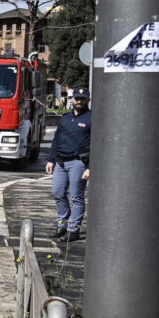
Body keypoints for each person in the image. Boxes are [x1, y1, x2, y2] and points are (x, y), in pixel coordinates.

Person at [46, 86, 91, 241]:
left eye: (82, 98)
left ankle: (73, 230)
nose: (79, 101)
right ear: (72, 99)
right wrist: (51, 160)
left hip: (78, 163)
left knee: (76, 197)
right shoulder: (65, 118)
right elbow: (56, 139)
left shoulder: (92, 119)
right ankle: (62, 225)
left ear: (88, 100)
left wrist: (90, 167)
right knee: (58, 193)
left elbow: (98, 144)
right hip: (60, 162)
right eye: (76, 98)